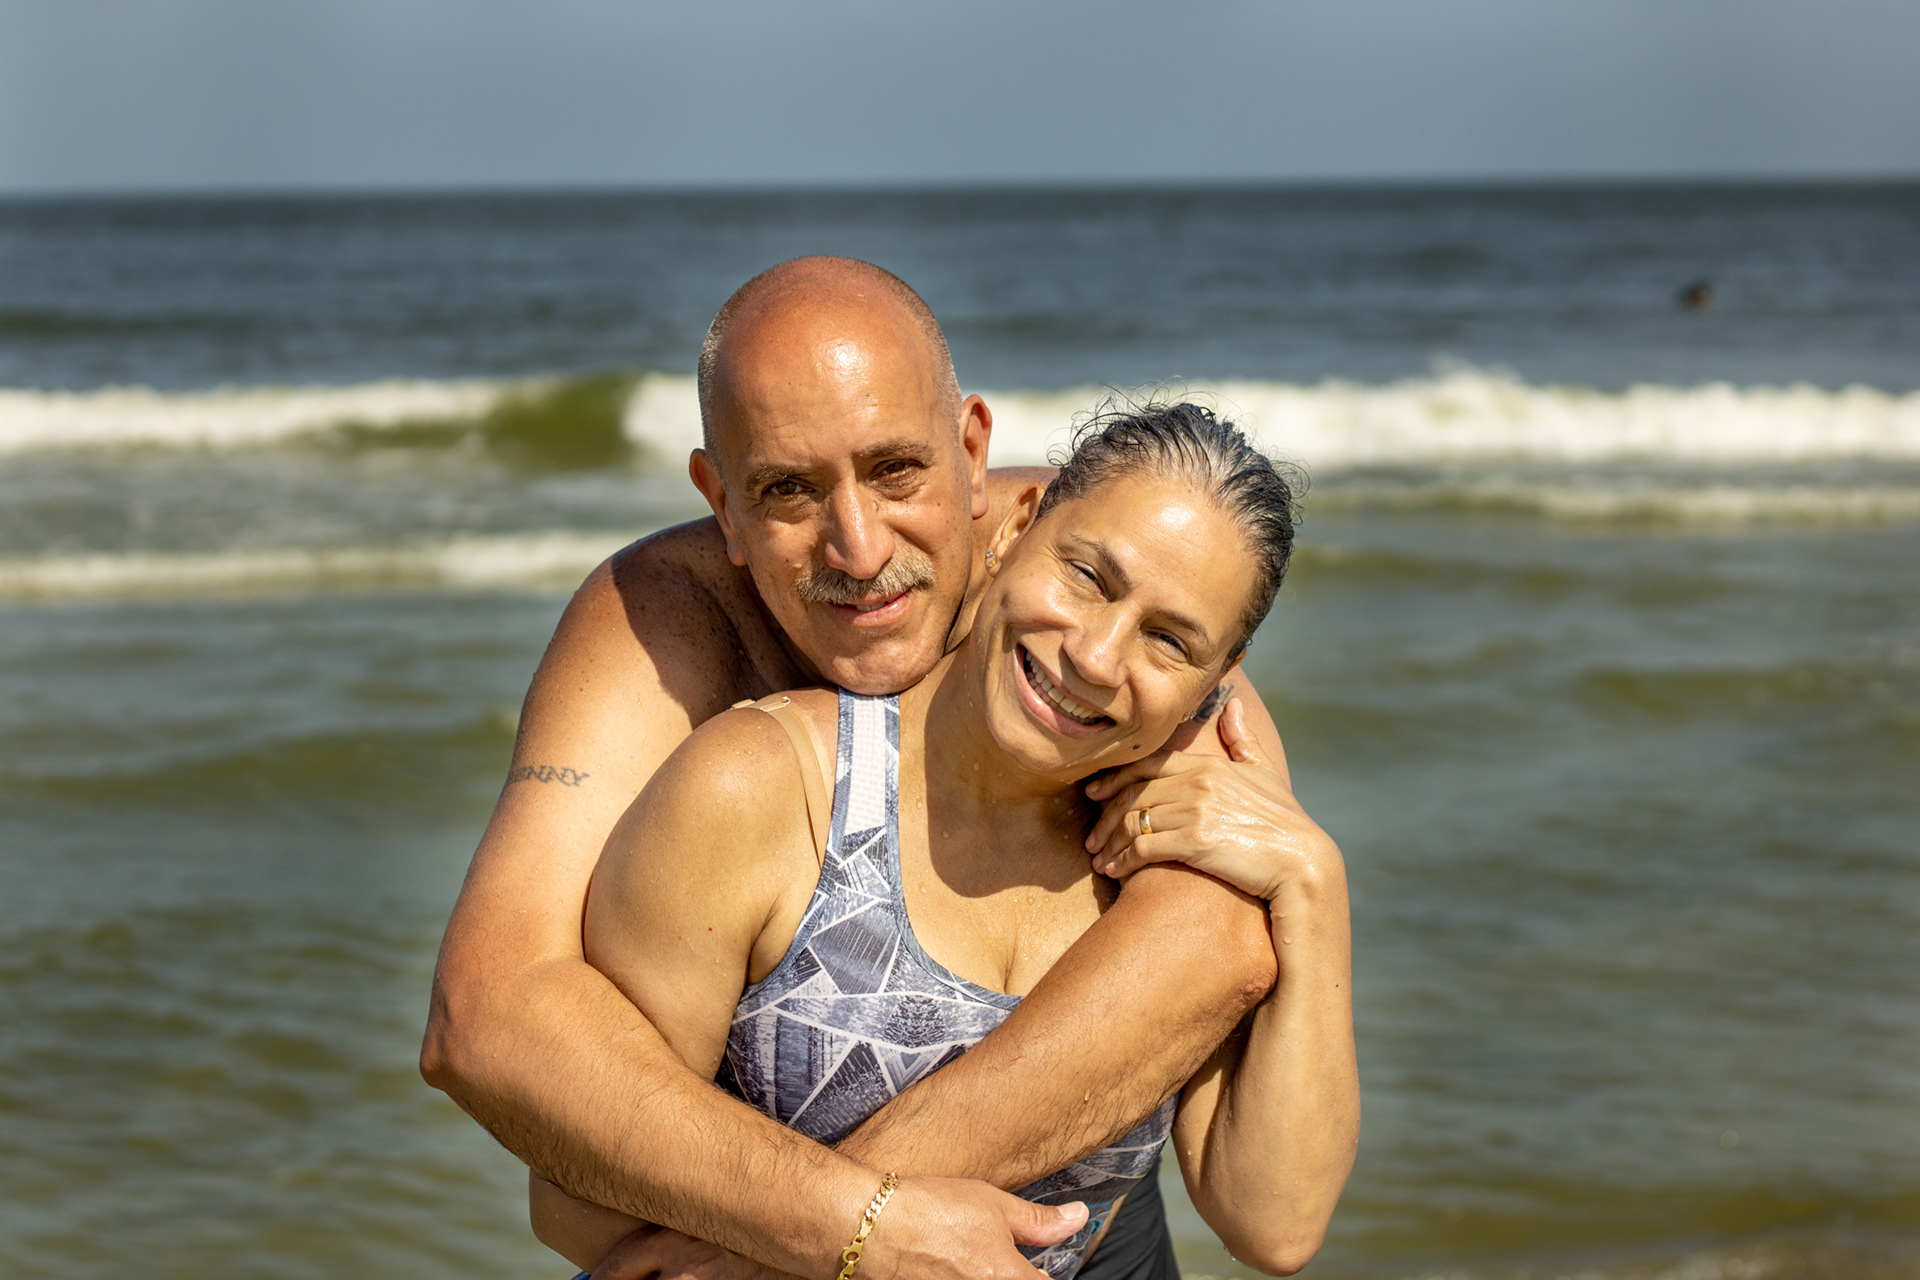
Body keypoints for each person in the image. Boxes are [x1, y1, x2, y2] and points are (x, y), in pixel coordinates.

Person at [421, 257, 1357, 1280]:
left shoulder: (1115, 606)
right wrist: (855, 1225)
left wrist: (816, 1240)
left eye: (898, 471)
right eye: (787, 488)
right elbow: (491, 1015)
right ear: (722, 502)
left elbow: (1216, 946)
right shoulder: (665, 628)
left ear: (975, 459)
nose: (860, 549)